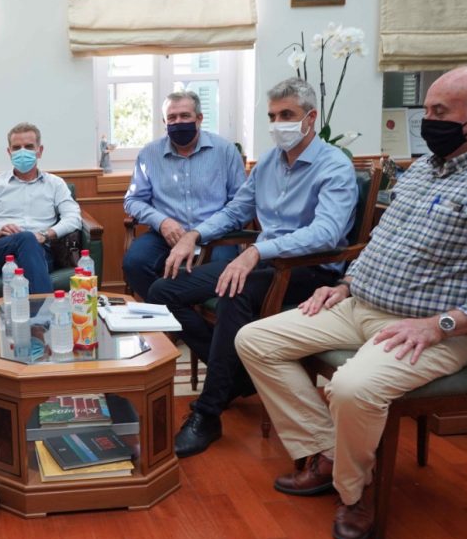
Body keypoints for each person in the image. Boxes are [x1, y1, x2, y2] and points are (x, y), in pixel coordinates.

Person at [234, 65, 467, 539]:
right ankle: (329, 453)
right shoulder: (421, 171)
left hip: (436, 328)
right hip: (359, 305)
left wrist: (441, 325)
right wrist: (346, 284)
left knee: (353, 387)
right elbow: (381, 243)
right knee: (255, 339)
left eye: (440, 111)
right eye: (427, 108)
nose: (427, 119)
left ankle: (354, 493)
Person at [147, 78, 357, 459]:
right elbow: (235, 211)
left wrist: (258, 252)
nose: (278, 124)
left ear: (311, 117)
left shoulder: (335, 166)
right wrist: (194, 235)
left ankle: (208, 413)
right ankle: (237, 378)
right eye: (272, 116)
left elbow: (327, 233)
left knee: (234, 291)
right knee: (164, 290)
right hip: (264, 264)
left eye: (287, 115)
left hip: (311, 270)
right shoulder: (269, 162)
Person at [122, 91, 247, 300]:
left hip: (217, 235)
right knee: (134, 264)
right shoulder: (149, 154)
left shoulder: (225, 150)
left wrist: (202, 231)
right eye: (172, 117)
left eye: (185, 116)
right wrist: (162, 222)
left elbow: (241, 204)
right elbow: (133, 200)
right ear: (164, 122)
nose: (178, 122)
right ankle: (168, 313)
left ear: (199, 118)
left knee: (222, 271)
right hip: (165, 235)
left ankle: (181, 312)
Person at [0, 122, 82, 293]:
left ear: (39, 151)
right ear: (9, 152)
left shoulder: (55, 184)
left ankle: (32, 307)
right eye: (16, 148)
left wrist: (45, 235)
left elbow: (73, 218)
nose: (22, 152)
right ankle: (45, 307)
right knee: (26, 238)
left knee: (28, 248)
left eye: (28, 147)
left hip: (40, 251)